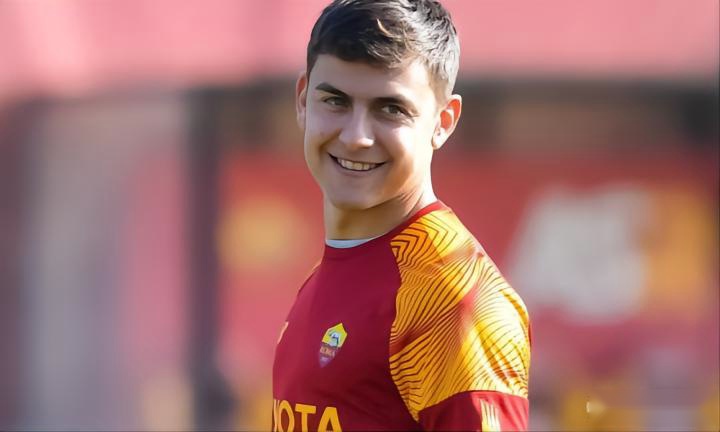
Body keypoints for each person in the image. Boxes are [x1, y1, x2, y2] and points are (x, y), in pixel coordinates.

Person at [272, 0, 531, 430]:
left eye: (390, 109)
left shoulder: (451, 301)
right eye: (335, 101)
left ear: (443, 121)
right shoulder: (329, 273)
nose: (356, 137)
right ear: (303, 100)